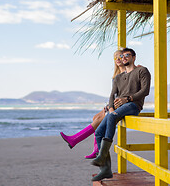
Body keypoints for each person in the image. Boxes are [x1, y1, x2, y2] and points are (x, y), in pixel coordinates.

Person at [91, 48, 151, 181]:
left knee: (111, 118)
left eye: (127, 55)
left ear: (134, 57)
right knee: (99, 132)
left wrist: (128, 99)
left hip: (133, 105)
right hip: (117, 109)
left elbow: (145, 91)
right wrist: (111, 108)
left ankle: (102, 154)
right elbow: (112, 95)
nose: (123, 58)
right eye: (122, 56)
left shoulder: (142, 71)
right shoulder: (117, 78)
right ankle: (106, 169)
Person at [60, 50, 125, 159]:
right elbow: (114, 94)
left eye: (120, 56)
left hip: (122, 105)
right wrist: (109, 105)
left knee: (99, 119)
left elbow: (124, 93)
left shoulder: (129, 72)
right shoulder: (116, 75)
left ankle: (75, 139)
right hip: (114, 104)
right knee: (96, 117)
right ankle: (95, 150)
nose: (118, 59)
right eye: (115, 57)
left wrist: (112, 106)